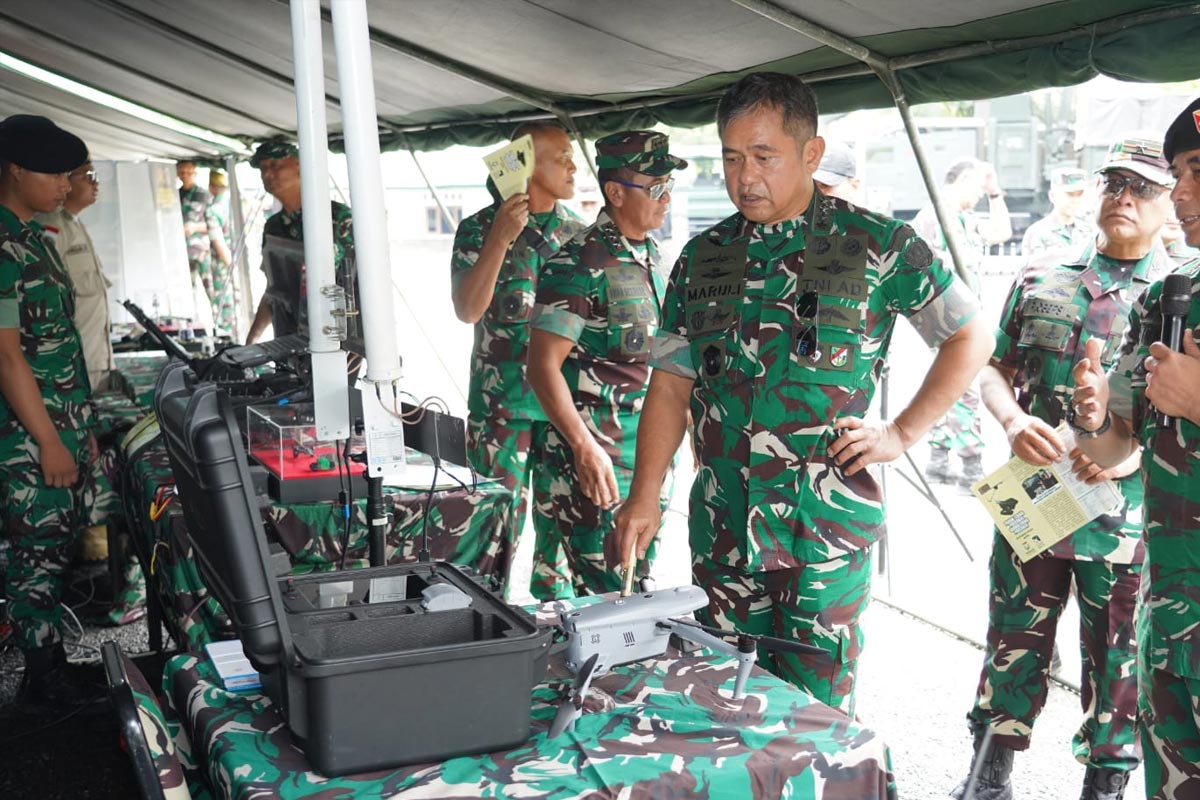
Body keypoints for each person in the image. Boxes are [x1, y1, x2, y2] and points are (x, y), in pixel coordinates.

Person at [612, 72, 992, 714]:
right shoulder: (702, 257)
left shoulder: (878, 244)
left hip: (824, 532)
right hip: (725, 530)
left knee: (818, 714)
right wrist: (645, 494)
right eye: (731, 158)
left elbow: (970, 336)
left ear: (810, 154)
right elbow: (672, 383)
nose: (745, 177)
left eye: (764, 157)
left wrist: (900, 433)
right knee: (723, 702)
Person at [951, 135, 1176, 800]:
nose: (1124, 198)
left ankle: (1104, 785)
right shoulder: (1041, 278)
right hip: (1039, 497)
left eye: (1143, 189)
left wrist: (1132, 447)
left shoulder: (1179, 294)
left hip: (1125, 515)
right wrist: (1012, 420)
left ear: (1171, 204)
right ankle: (989, 772)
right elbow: (991, 369)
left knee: (1118, 661)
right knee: (1013, 639)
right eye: (1114, 183)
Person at [1072, 96, 1200, 800]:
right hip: (1171, 618)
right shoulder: (1174, 296)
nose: (1180, 192)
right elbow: (1121, 428)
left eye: (1197, 171)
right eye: (1177, 173)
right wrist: (1096, 411)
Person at [527, 131, 685, 597]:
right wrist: (584, 447)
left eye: (667, 185)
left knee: (634, 586)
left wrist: (690, 423)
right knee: (610, 596)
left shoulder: (657, 258)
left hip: (647, 462)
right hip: (596, 465)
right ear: (615, 193)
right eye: (655, 187)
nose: (667, 198)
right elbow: (541, 367)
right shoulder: (578, 262)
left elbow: (670, 361)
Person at [451, 122, 584, 600]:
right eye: (561, 156)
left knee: (563, 536)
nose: (573, 165)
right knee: (491, 532)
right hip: (501, 410)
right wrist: (500, 240)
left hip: (564, 409)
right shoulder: (479, 229)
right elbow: (468, 309)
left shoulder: (580, 236)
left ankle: (563, 635)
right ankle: (483, 627)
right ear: (526, 165)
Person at [0, 114, 102, 706]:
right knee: (34, 559)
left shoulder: (36, 236)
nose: (67, 185)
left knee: (54, 548)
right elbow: (7, 357)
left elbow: (59, 345)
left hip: (58, 424)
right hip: (26, 436)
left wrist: (78, 428)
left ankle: (54, 666)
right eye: (56, 173)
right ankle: (43, 680)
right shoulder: (3, 244)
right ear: (16, 169)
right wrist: (48, 439)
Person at [913, 158, 1013, 489]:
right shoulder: (932, 219)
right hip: (946, 320)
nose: (981, 197)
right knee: (964, 389)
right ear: (962, 181)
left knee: (951, 387)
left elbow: (1001, 232)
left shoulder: (964, 220)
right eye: (979, 190)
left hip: (968, 319)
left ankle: (938, 459)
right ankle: (973, 465)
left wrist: (996, 192)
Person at [245, 140, 356, 345]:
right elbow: (273, 290)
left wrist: (353, 349)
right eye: (263, 168)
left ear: (300, 166)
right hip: (290, 342)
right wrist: (251, 341)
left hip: (335, 343)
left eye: (276, 166)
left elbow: (362, 286)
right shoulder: (274, 227)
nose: (268, 174)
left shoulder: (337, 218)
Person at [36, 158, 113, 390]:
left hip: (92, 353)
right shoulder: (52, 225)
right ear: (65, 182)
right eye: (89, 177)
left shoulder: (74, 224)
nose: (95, 184)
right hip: (72, 361)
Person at [1020, 167, 1095, 260]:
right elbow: (1032, 271)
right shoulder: (1037, 233)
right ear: (1053, 196)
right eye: (1069, 194)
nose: (1075, 200)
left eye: (1079, 194)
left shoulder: (1089, 232)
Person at [178, 159, 214, 307]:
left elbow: (216, 225)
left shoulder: (204, 195)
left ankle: (220, 325)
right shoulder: (175, 195)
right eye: (182, 172)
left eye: (189, 172)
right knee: (186, 293)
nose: (185, 175)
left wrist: (195, 227)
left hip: (201, 251)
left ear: (195, 173)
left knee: (211, 290)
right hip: (182, 252)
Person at [206, 168, 236, 336]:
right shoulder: (234, 206)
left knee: (223, 305)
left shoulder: (212, 210)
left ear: (211, 188)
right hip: (235, 263)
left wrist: (232, 267)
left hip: (224, 267)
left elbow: (218, 242)